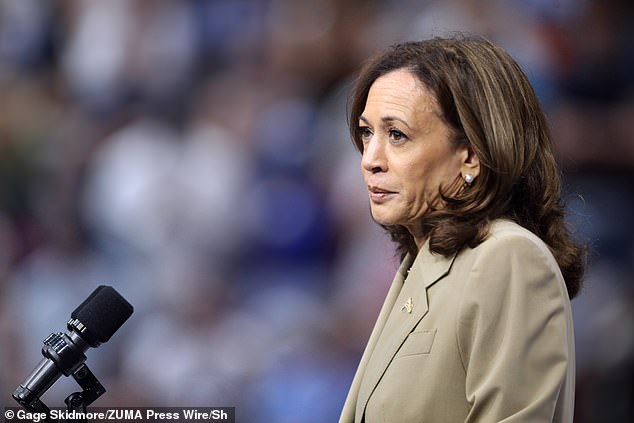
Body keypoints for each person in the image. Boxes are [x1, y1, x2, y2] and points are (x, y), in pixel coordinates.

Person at [339, 36, 586, 423]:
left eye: (397, 135)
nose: (370, 159)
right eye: (367, 132)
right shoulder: (423, 264)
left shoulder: (509, 259)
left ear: (470, 156)